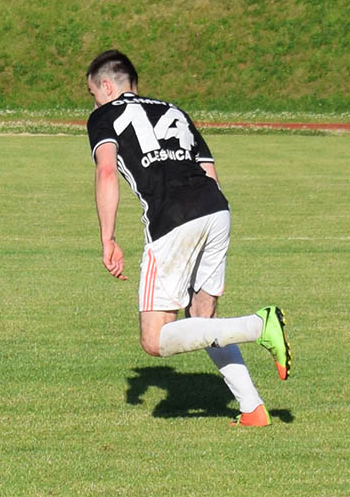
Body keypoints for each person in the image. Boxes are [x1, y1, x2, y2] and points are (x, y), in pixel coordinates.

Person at [85, 50, 292, 426]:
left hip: (172, 219)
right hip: (216, 208)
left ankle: (258, 326)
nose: (94, 102)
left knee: (154, 339)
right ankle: (252, 408)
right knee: (202, 317)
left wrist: (108, 238)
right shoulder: (174, 110)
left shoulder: (105, 115)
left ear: (108, 86)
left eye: (93, 93)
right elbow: (209, 172)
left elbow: (106, 172)